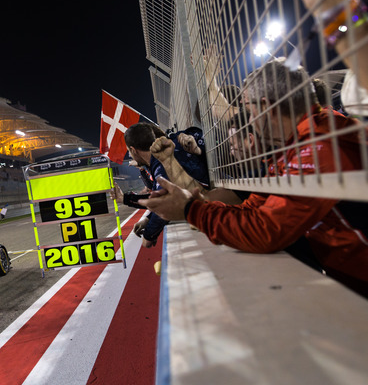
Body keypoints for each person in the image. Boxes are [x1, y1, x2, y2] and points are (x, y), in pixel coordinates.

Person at [139, 57, 368, 297]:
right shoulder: (292, 147)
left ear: (266, 108)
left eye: (248, 111)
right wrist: (191, 207)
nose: (247, 121)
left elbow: (267, 230)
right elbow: (253, 210)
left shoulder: (320, 142)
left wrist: (190, 210)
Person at [112, 123, 170, 247]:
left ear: (133, 150)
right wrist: (148, 218)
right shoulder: (159, 162)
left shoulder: (161, 165)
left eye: (129, 151)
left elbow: (163, 203)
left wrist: (149, 235)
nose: (130, 155)